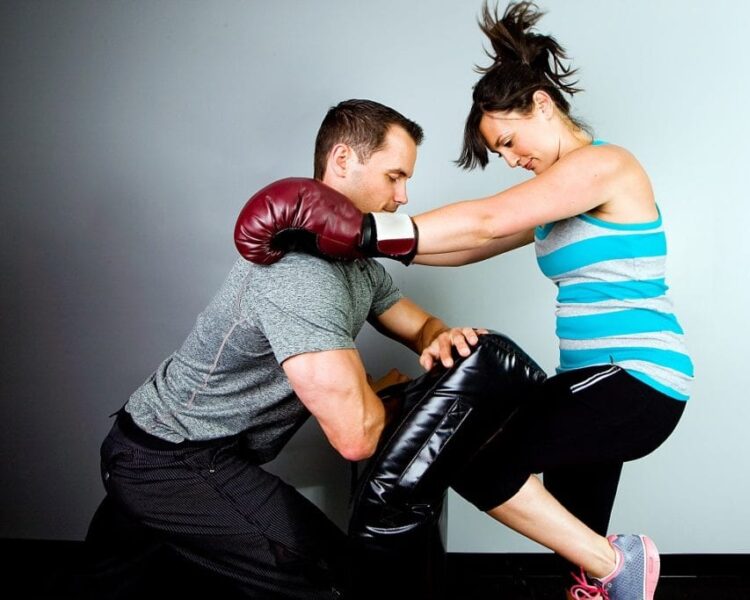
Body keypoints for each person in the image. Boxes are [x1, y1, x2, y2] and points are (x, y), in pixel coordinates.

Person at [239, 3, 694, 599]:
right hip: (589, 379)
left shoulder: (604, 166)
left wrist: (361, 228)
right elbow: (466, 248)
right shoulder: (555, 197)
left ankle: (619, 565)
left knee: (477, 453)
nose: (509, 160)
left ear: (542, 105)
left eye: (507, 141)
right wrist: (355, 246)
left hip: (635, 378)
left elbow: (482, 220)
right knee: (580, 548)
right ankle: (607, 574)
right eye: (498, 152)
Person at [84, 99, 486, 599]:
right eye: (394, 176)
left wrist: (439, 337)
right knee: (325, 575)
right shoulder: (300, 273)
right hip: (169, 459)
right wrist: (393, 399)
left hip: (181, 447)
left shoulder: (359, 266)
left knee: (114, 583)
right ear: (342, 161)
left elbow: (420, 324)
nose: (403, 196)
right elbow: (356, 437)